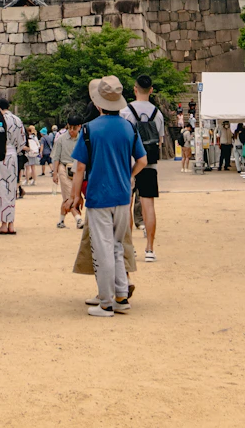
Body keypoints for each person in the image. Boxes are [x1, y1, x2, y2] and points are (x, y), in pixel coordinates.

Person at [63, 76, 147, 317]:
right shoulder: (129, 127)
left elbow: (79, 168)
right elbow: (142, 160)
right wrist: (128, 175)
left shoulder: (90, 129)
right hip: (123, 195)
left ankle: (107, 302)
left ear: (99, 104)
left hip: (99, 196)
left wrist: (75, 196)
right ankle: (121, 296)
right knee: (117, 246)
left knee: (102, 248)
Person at [121, 74, 164, 262]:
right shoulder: (158, 113)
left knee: (127, 206)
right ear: (151, 90)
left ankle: (130, 248)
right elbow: (160, 140)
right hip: (150, 163)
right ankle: (150, 249)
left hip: (130, 163)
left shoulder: (125, 111)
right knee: (149, 206)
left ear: (134, 89)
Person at [0, 97, 25, 235]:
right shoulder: (17, 120)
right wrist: (15, 151)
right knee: (11, 189)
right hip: (12, 155)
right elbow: (22, 141)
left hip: (0, 155)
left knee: (1, 189)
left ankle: (4, 224)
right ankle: (11, 223)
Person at [51, 115, 83, 228]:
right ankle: (78, 219)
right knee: (69, 195)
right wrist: (54, 173)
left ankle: (61, 220)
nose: (72, 131)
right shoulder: (61, 139)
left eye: (74, 128)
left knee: (74, 195)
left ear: (79, 127)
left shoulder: (83, 139)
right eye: (70, 128)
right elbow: (55, 157)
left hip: (78, 169)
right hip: (63, 167)